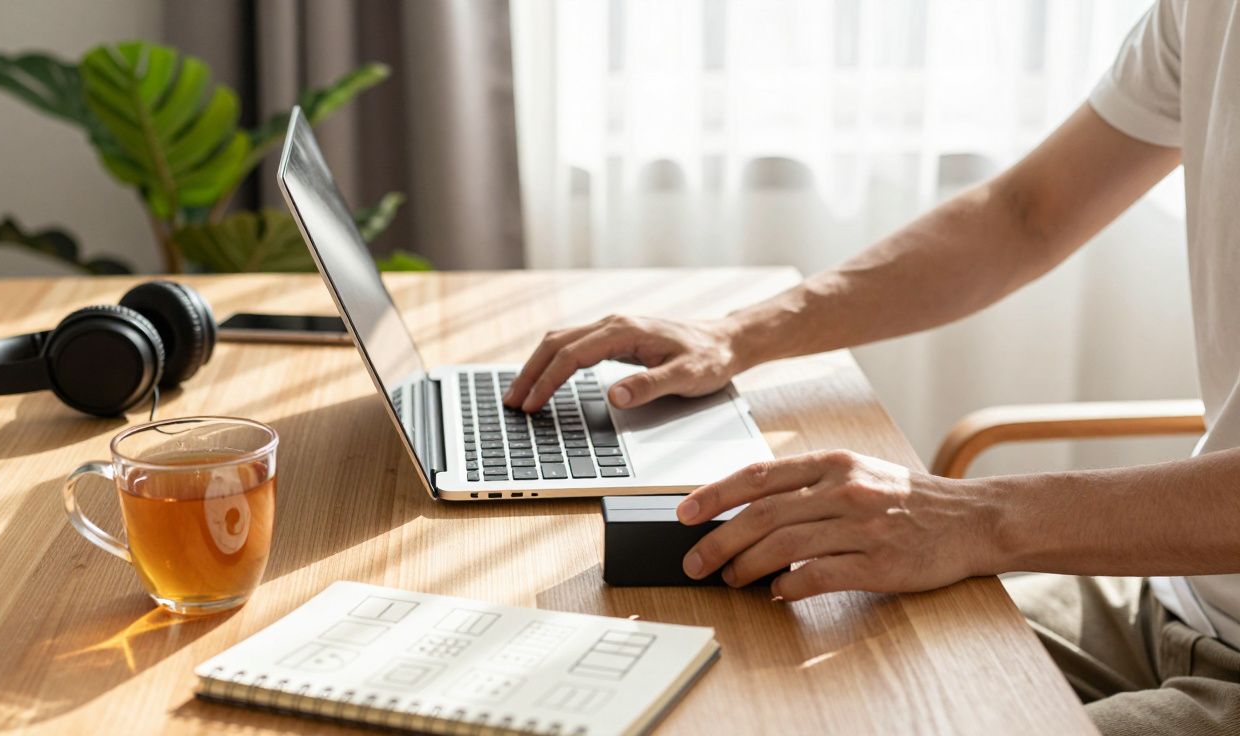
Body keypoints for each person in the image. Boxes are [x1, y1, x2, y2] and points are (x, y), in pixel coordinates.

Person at [503, 2, 1240, 732]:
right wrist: (735, 334)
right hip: (1173, 598)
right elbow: (1025, 213)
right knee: (764, 693)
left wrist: (973, 518)